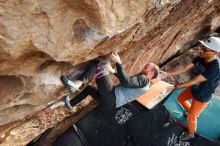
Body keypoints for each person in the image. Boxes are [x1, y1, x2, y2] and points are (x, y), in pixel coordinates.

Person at [162, 36, 220, 141]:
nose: (200, 50)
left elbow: (194, 80)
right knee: (180, 99)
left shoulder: (215, 68)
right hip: (195, 88)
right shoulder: (200, 57)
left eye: (205, 49)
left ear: (214, 52)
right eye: (202, 46)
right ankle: (190, 112)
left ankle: (190, 133)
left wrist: (175, 87)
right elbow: (184, 68)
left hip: (203, 95)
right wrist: (168, 74)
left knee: (191, 118)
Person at [58, 52, 160, 110]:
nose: (144, 67)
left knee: (99, 65)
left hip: (111, 96)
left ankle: (75, 85)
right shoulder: (146, 86)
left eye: (147, 67)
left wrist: (119, 63)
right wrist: (112, 71)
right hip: (110, 104)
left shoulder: (144, 79)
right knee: (89, 89)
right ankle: (71, 103)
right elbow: (128, 80)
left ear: (151, 73)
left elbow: (126, 82)